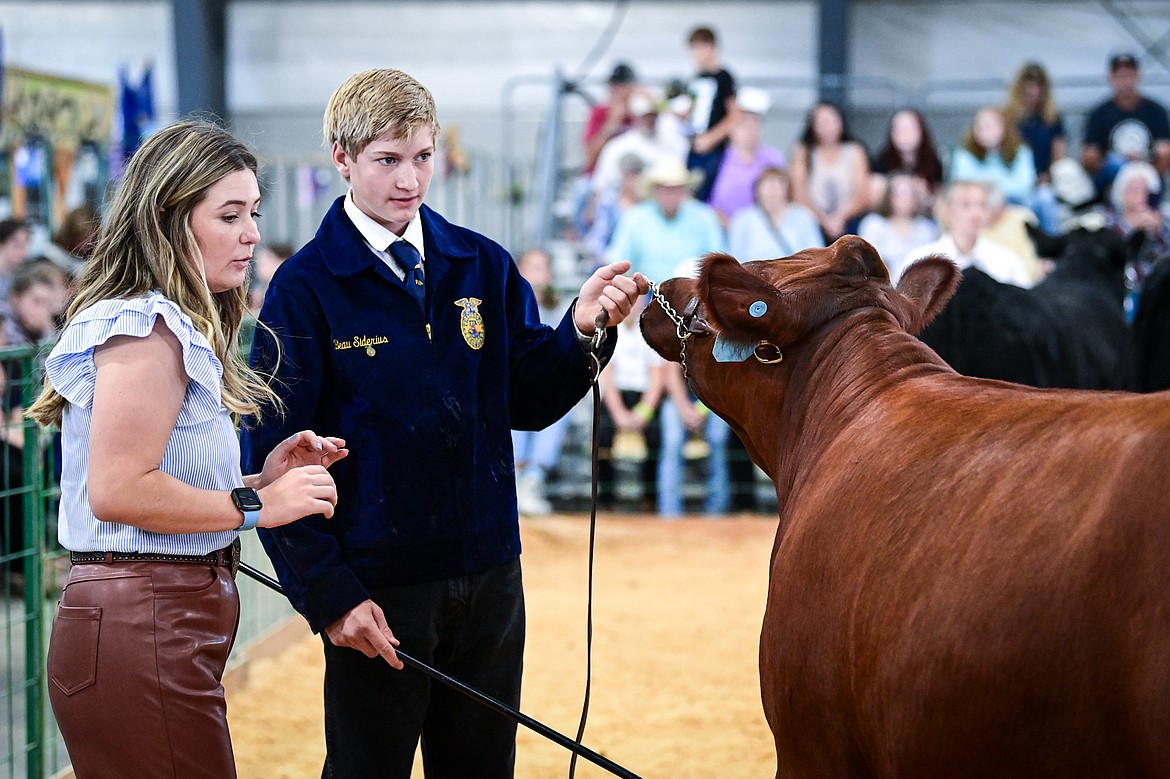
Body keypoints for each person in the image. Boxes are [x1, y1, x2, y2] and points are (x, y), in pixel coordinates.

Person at [240, 69, 648, 778]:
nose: (409, 180)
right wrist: (331, 595)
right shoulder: (304, 288)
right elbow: (276, 458)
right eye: (387, 160)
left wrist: (579, 331)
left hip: (490, 575)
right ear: (342, 157)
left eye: (422, 157)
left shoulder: (481, 265)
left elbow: (528, 398)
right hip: (378, 589)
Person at [26, 118, 346, 778]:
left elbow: (151, 478)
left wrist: (261, 476)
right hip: (143, 622)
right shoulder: (148, 326)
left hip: (151, 622)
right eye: (229, 215)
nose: (252, 233)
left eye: (252, 212)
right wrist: (259, 504)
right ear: (171, 220)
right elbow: (120, 489)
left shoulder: (166, 322)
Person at [510, 246, 569, 515]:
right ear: (519, 272)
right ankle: (514, 476)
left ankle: (533, 479)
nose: (538, 275)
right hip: (511, 384)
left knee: (558, 407)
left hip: (546, 384)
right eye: (531, 268)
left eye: (542, 268)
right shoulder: (504, 305)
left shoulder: (557, 311)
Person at [597, 293, 664, 512]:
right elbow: (606, 376)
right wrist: (619, 415)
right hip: (616, 395)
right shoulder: (608, 331)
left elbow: (657, 379)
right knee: (602, 440)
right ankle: (606, 498)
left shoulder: (652, 333)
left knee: (655, 440)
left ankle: (649, 499)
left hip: (644, 395)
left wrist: (642, 413)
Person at [899, 179, 1033, 288]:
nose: (976, 214)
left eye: (982, 205)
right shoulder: (922, 260)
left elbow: (1025, 303)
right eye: (966, 205)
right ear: (947, 211)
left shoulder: (1006, 261)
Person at [1081, 52, 1170, 203]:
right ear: (1111, 78)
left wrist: (1142, 162)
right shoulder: (1100, 114)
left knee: (1147, 167)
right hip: (1112, 176)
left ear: (1137, 76)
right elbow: (1088, 156)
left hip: (1147, 173)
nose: (1125, 82)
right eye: (1120, 76)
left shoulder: (1155, 111)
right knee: (1116, 163)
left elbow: (1165, 152)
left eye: (1129, 75)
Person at [789, 102, 871, 243]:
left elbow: (862, 194)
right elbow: (798, 195)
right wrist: (823, 220)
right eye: (821, 122)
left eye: (832, 120)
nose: (827, 127)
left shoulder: (855, 151)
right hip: (813, 221)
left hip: (849, 220)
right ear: (812, 125)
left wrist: (840, 217)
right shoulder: (803, 151)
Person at [708, 86, 786, 224]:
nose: (750, 129)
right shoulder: (715, 160)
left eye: (755, 122)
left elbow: (784, 198)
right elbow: (705, 203)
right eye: (743, 123)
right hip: (722, 231)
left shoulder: (773, 158)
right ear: (730, 128)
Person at [684, 25, 739, 202]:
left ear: (711, 47)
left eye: (699, 48)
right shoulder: (696, 78)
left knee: (707, 192)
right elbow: (690, 112)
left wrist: (711, 138)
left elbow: (734, 115)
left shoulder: (724, 77)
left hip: (714, 148)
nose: (695, 55)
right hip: (695, 145)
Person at [728, 166, 824, 261]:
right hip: (754, 274)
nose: (772, 189)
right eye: (767, 183)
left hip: (794, 274)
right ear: (757, 189)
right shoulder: (743, 218)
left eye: (778, 183)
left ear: (787, 188)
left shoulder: (803, 216)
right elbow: (735, 256)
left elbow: (816, 254)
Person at [857, 172, 938, 273]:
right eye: (901, 192)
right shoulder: (873, 224)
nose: (906, 198)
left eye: (910, 193)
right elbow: (865, 260)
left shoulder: (926, 228)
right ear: (889, 195)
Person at [869, 107, 944, 208]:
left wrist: (924, 194)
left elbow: (938, 200)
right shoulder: (881, 161)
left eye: (910, 128)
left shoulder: (934, 161)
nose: (905, 134)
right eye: (899, 129)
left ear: (922, 131)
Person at [581, 61, 640, 176]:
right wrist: (612, 124)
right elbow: (589, 160)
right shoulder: (599, 113)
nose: (616, 91)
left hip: (631, 177)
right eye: (613, 86)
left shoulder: (640, 115)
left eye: (622, 86)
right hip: (598, 176)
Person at [0, 218, 31, 304]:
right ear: (1, 244)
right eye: (17, 246)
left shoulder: (23, 274)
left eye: (25, 246)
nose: (23, 252)